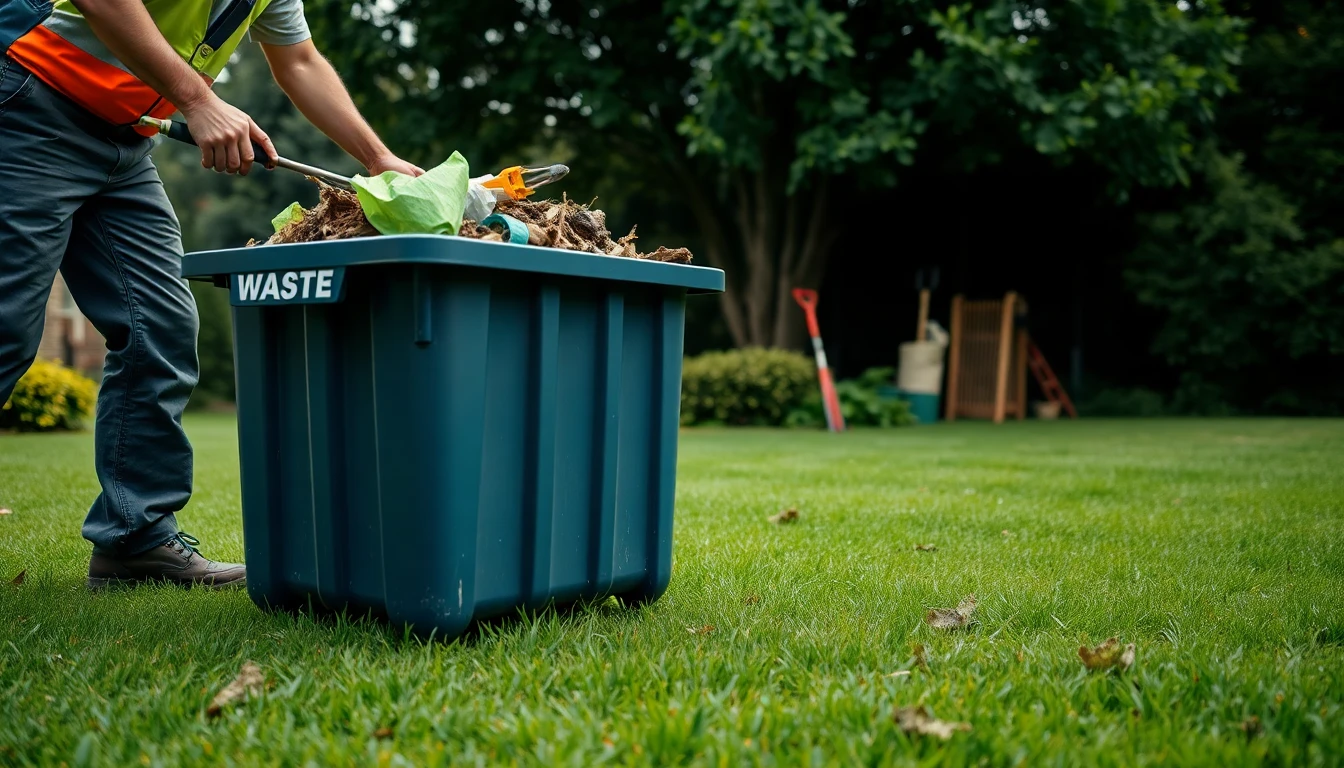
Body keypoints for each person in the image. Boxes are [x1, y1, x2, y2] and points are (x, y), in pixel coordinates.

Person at [0, 0, 421, 589]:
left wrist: (377, 160)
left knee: (161, 330)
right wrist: (199, 102)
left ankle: (135, 541)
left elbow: (298, 60)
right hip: (30, 104)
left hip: (123, 143)